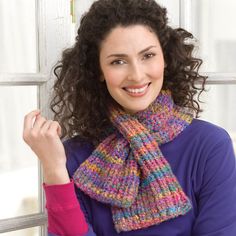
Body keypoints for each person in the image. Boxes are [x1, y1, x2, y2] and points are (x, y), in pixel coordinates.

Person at [23, 0, 236, 235]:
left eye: (148, 56)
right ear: (99, 71)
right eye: (118, 61)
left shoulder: (209, 145)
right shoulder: (74, 156)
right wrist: (54, 170)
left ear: (164, 59)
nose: (136, 75)